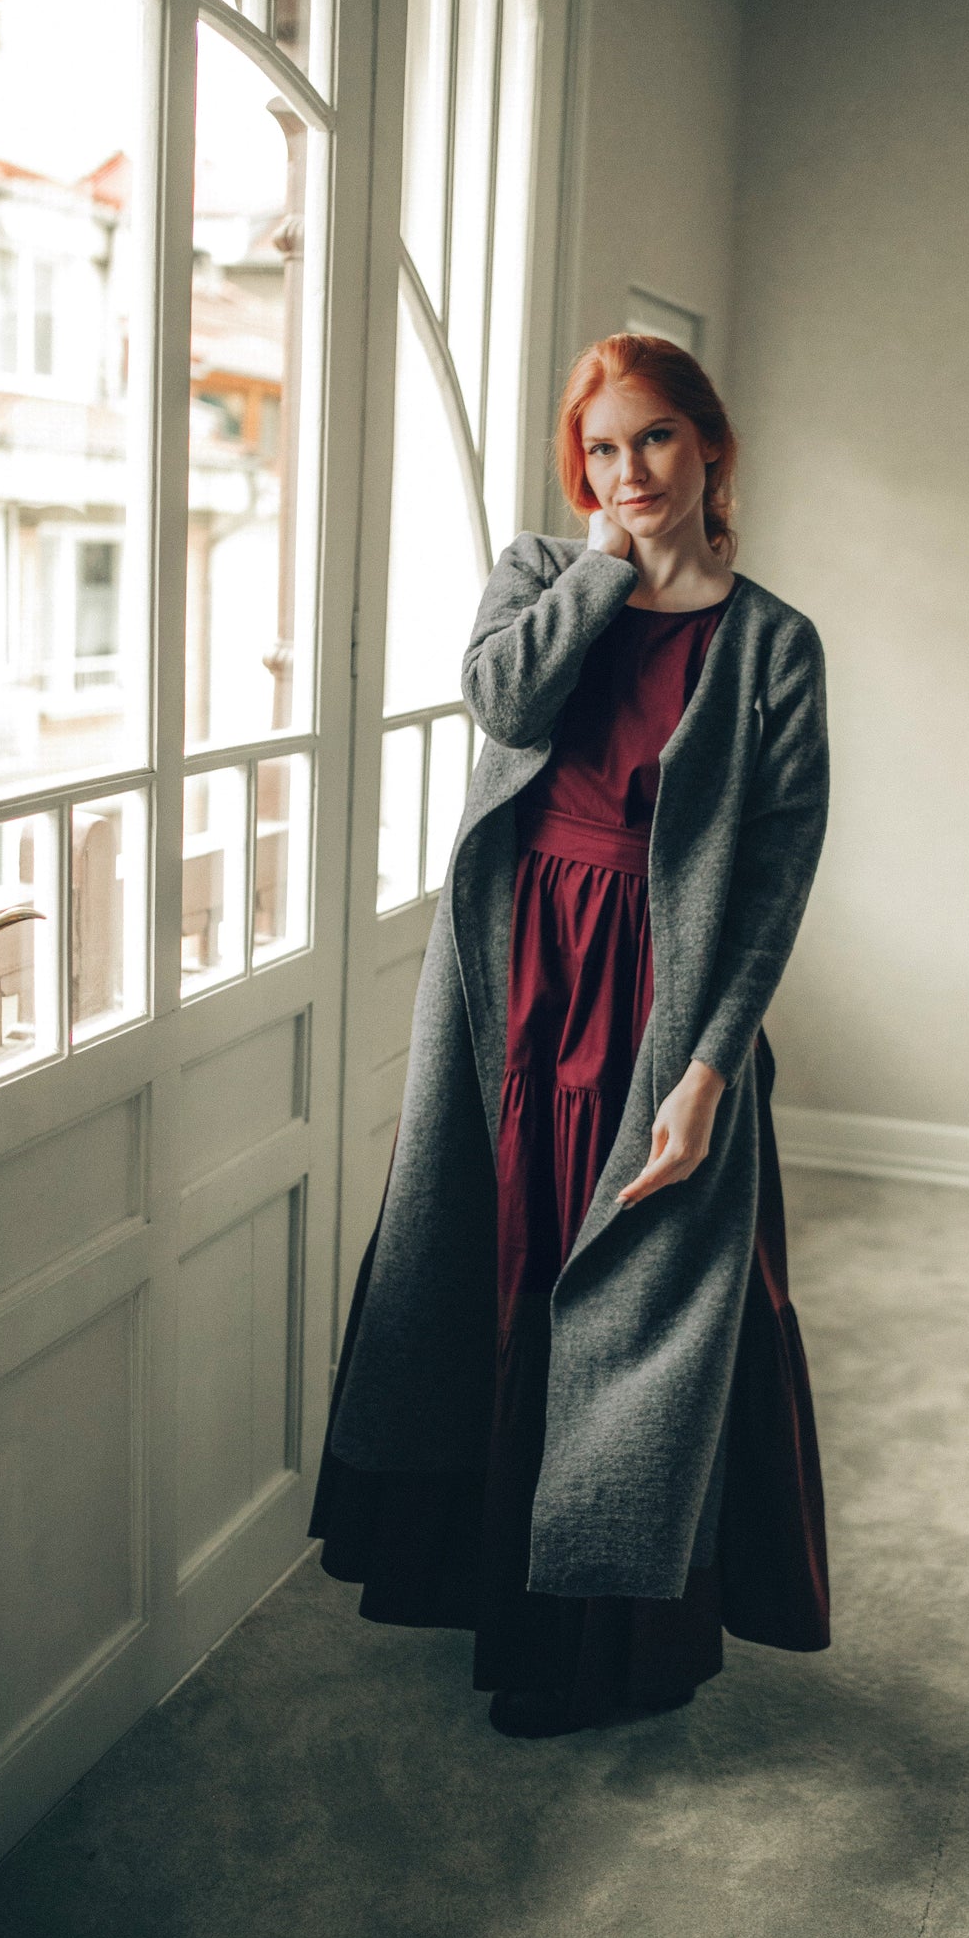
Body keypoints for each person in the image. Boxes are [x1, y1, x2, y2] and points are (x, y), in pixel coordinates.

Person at [309, 332, 832, 1737]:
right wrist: (608, 567)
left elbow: (776, 878)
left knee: (627, 1315)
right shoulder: (545, 575)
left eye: (655, 438)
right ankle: (487, 1589)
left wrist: (713, 1065)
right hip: (511, 979)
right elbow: (503, 700)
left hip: (658, 1003)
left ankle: (590, 1649)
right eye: (601, 448)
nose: (630, 470)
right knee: (494, 1264)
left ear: (709, 445)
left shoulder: (773, 643)